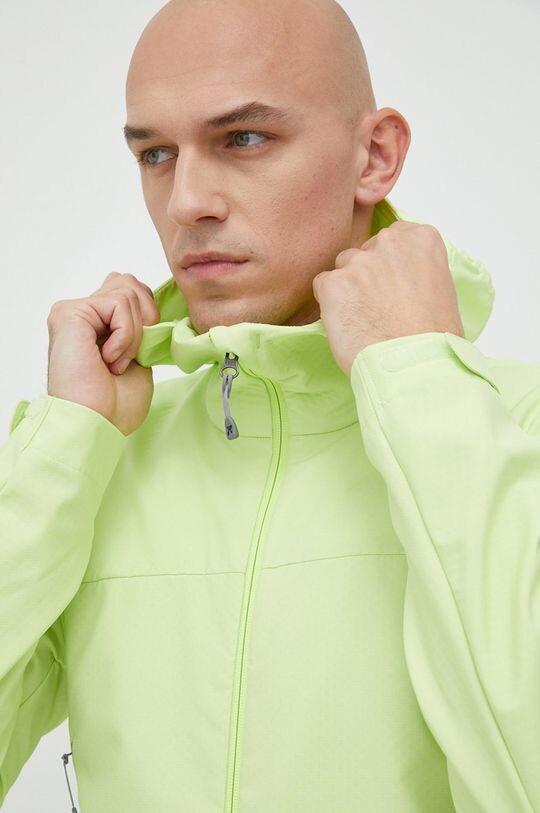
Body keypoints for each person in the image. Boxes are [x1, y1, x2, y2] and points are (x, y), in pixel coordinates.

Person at [1, 0, 539, 810]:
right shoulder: (102, 461)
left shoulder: (516, 426)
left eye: (243, 138)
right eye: (155, 153)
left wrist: (422, 384)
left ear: (375, 156)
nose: (185, 202)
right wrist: (65, 444)